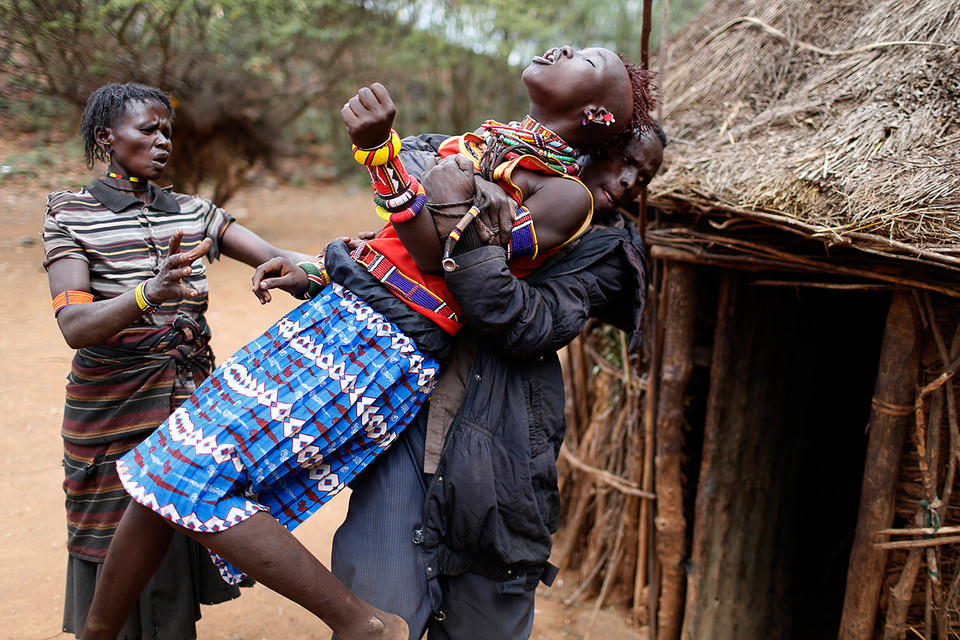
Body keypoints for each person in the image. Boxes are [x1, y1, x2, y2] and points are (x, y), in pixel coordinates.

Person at [79, 45, 654, 640]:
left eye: (585, 61)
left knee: (193, 479)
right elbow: (397, 242)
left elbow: (443, 260)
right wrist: (327, 268)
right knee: (159, 469)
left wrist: (382, 156)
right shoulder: (486, 142)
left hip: (381, 346)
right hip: (340, 314)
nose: (563, 50)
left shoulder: (567, 199)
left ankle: (361, 624)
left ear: (597, 114)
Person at [329, 122, 666, 639]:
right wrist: (467, 184)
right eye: (623, 159)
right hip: (409, 422)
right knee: (378, 610)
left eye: (643, 176)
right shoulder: (500, 164)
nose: (628, 182)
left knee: (485, 611)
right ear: (584, 148)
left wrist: (464, 216)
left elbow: (520, 319)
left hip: (503, 445)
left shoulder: (607, 253)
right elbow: (415, 183)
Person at [42, 82, 313, 639]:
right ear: (106, 137)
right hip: (112, 415)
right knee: (115, 552)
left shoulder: (194, 213)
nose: (163, 140)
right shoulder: (70, 214)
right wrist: (149, 293)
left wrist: (324, 267)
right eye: (148, 129)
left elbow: (279, 259)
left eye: (167, 130)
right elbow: (74, 325)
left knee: (170, 550)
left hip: (188, 413)